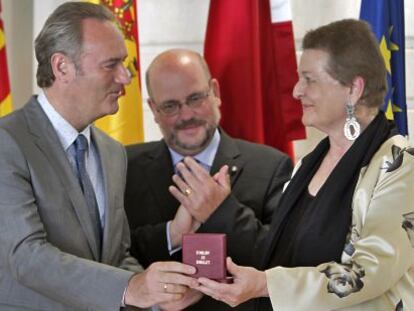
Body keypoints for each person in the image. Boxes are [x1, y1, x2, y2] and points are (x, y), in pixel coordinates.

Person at [173, 19, 414, 310]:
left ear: (353, 89)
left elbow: (369, 270)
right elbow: (284, 255)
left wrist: (265, 285)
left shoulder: (401, 164)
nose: (296, 91)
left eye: (309, 79)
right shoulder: (307, 165)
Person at [0, 3, 198, 310]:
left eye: (124, 63)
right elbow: (25, 257)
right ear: (62, 67)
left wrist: (158, 296)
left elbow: (115, 256)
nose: (126, 77)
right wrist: (133, 288)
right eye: (111, 65)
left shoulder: (112, 152)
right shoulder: (8, 141)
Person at [124, 49, 293, 310]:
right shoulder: (124, 167)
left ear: (215, 92)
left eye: (195, 98)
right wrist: (172, 235)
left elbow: (286, 259)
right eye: (170, 106)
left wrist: (221, 212)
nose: (186, 115)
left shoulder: (270, 166)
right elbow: (109, 254)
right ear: (153, 109)